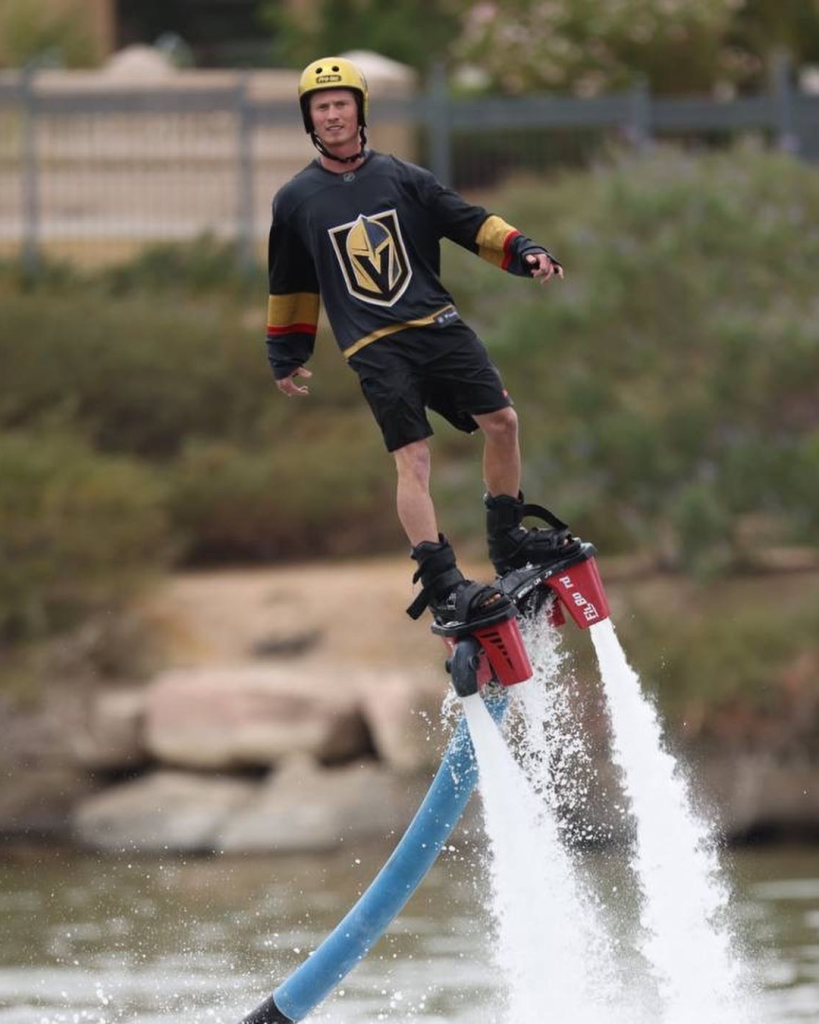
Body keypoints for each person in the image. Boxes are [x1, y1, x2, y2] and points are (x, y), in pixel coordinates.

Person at [266, 56, 580, 630]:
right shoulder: (295, 200)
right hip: (374, 345)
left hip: (436, 325)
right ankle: (443, 582)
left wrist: (524, 249)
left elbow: (470, 222)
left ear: (359, 111)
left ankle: (508, 541)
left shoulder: (402, 177)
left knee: (504, 421)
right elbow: (290, 281)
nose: (333, 115)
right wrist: (287, 352)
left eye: (341, 104)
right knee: (412, 458)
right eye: (321, 107)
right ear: (309, 119)